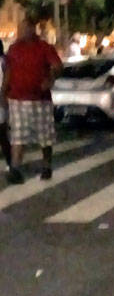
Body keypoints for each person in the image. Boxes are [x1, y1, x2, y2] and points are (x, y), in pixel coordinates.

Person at [2, 13, 62, 183]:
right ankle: (15, 169)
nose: (20, 31)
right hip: (17, 99)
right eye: (19, 28)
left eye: (23, 28)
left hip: (39, 99)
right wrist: (3, 92)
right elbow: (8, 71)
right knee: (18, 135)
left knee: (45, 135)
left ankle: (47, 165)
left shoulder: (44, 47)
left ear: (32, 29)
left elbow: (57, 66)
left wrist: (50, 79)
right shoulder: (14, 49)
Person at [0, 40, 11, 168]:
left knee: (2, 132)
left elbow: (7, 78)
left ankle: (10, 161)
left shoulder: (3, 61)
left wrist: (3, 94)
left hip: (1, 99)